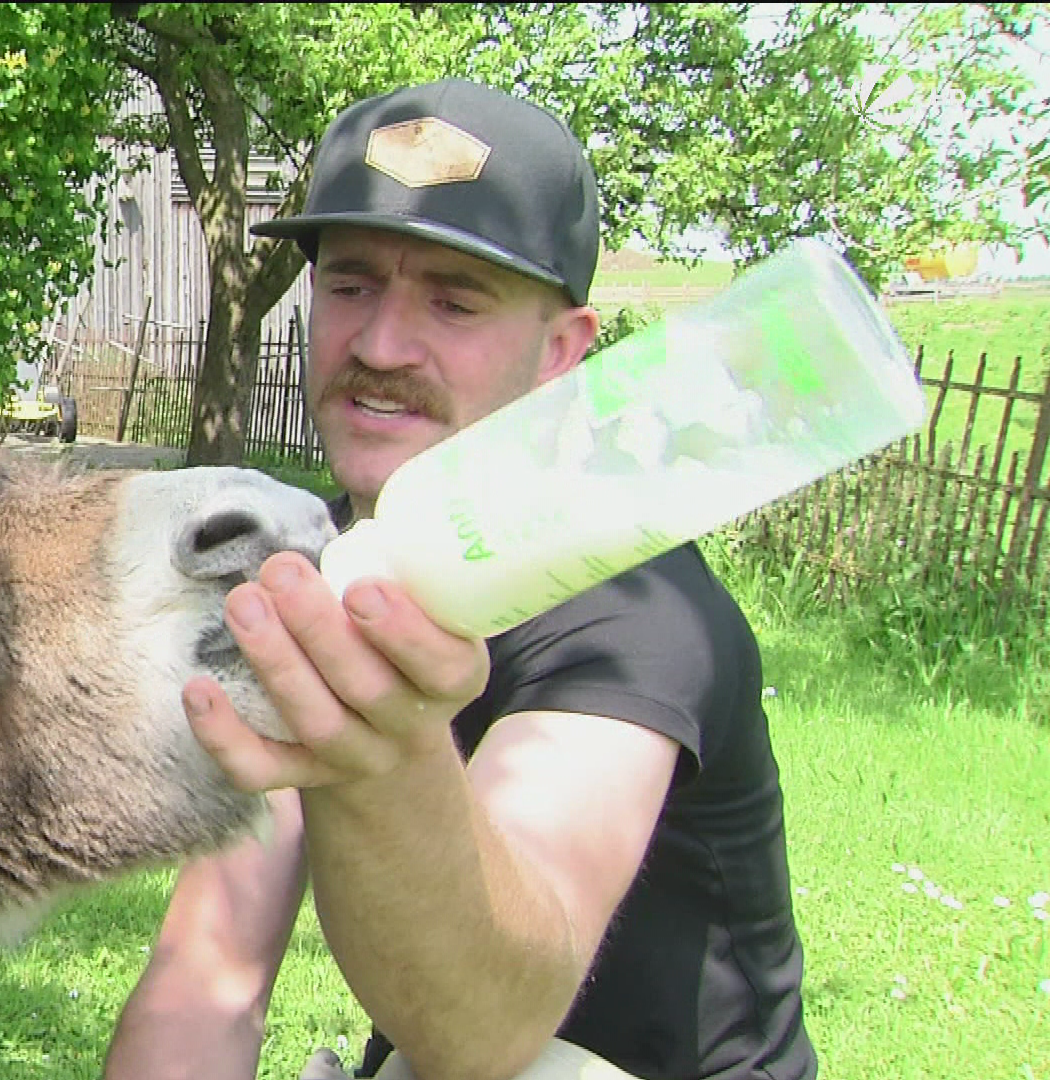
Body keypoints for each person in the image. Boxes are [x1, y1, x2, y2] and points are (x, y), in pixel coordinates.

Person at [103, 80, 816, 1080]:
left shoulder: (636, 618)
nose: (382, 346)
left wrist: (380, 751)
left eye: (453, 299)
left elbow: (486, 1034)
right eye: (352, 284)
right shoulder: (333, 560)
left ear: (561, 353)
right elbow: (208, 981)